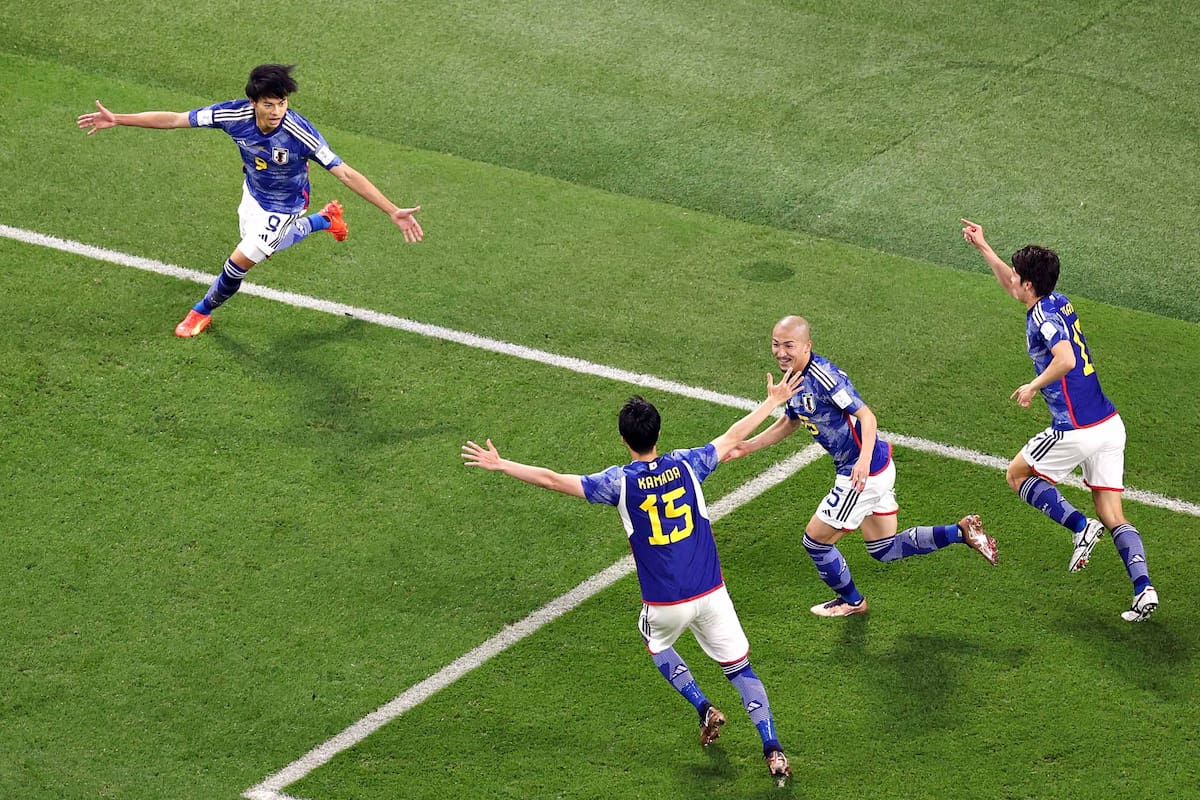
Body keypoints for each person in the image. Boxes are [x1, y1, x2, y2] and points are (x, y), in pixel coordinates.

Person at [461, 371, 805, 786]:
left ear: (624, 439)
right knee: (741, 670)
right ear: (659, 432)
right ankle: (773, 748)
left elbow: (552, 479)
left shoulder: (618, 483)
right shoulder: (689, 463)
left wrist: (501, 464)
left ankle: (703, 707)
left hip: (665, 603)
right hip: (712, 592)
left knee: (653, 639)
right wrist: (771, 402)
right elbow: (733, 437)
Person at [77, 63, 423, 337]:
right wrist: (119, 119)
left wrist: (392, 210)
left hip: (287, 205)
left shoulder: (300, 133)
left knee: (239, 261)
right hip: (254, 194)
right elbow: (175, 119)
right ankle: (325, 219)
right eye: (269, 104)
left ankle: (201, 311)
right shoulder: (233, 116)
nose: (277, 111)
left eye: (282, 103)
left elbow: (345, 173)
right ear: (254, 102)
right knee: (268, 244)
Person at [724, 316, 998, 618]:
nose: (780, 352)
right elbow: (790, 421)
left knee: (816, 542)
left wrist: (863, 462)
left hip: (861, 474)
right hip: (877, 467)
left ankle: (852, 602)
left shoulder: (826, 378)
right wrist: (748, 446)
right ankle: (960, 532)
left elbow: (867, 417)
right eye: (776, 344)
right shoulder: (793, 379)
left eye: (789, 345)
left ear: (807, 346)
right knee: (884, 548)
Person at [960, 219, 1157, 622]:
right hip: (1109, 424)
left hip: (1076, 428)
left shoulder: (1041, 319)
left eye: (1018, 275)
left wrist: (1033, 386)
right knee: (1113, 514)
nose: (1013, 279)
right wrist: (984, 247)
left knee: (1017, 475)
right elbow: (1012, 286)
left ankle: (1080, 526)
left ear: (1030, 284)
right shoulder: (1056, 301)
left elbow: (1065, 359)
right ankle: (1144, 589)